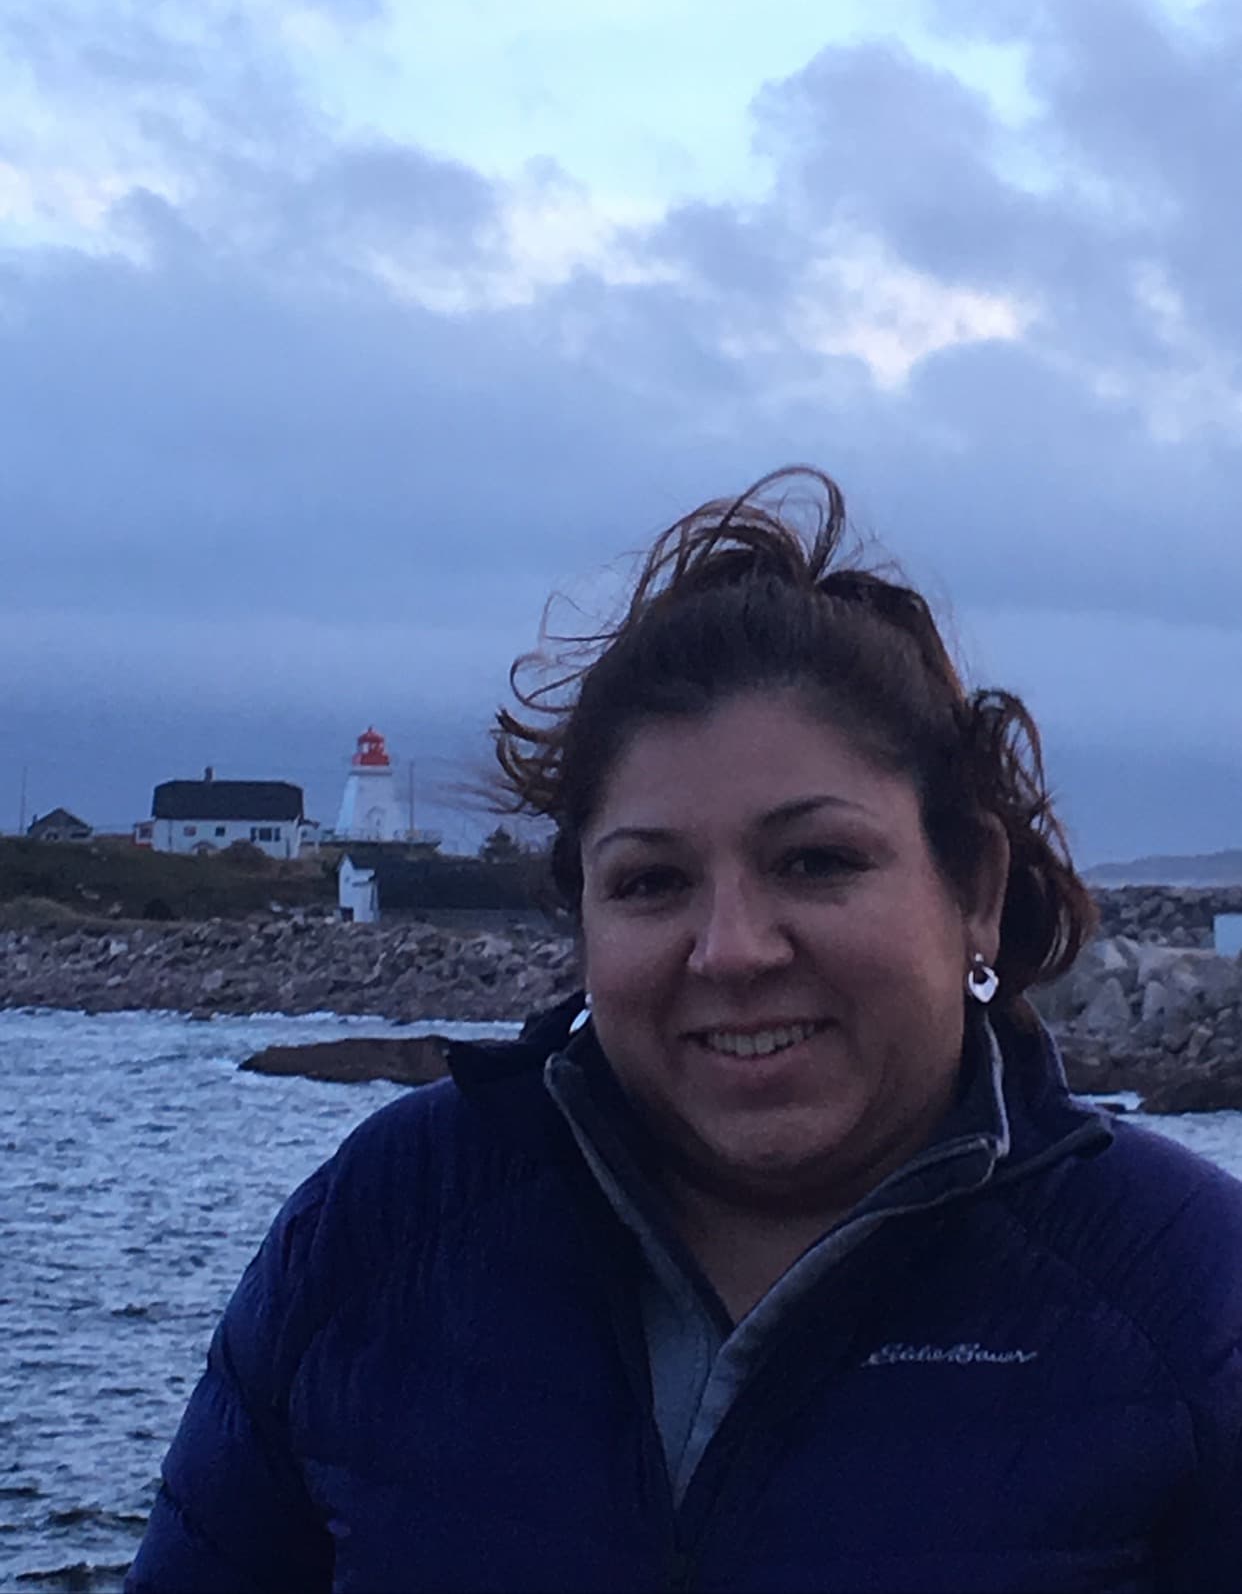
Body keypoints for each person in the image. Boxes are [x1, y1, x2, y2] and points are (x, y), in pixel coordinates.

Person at [127, 468, 1242, 1594]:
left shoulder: (1186, 1295)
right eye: (653, 879)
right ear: (585, 918)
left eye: (816, 860)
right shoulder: (380, 1230)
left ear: (976, 891)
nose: (732, 948)